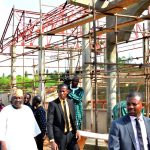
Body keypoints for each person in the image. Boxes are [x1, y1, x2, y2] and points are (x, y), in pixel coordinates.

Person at [47, 84, 80, 150]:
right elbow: (49, 124)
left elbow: (73, 119)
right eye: (60, 91)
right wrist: (52, 141)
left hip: (71, 134)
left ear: (67, 91)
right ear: (57, 92)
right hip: (60, 137)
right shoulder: (53, 104)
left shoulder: (71, 102)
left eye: (63, 91)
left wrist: (77, 130)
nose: (61, 93)